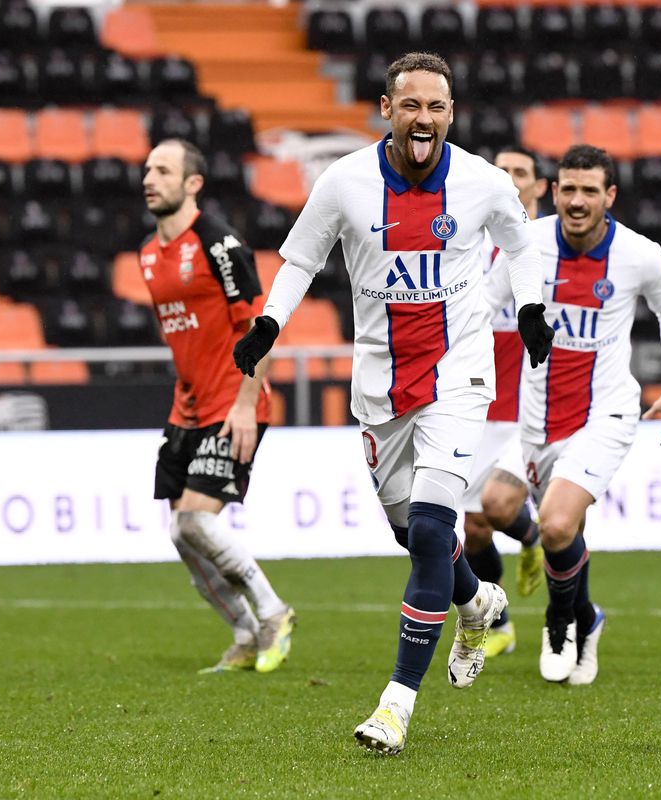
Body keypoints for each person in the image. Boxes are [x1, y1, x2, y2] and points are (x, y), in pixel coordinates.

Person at [233, 52, 552, 755]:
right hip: (380, 387)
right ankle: (476, 603)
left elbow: (521, 243)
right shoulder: (343, 182)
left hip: (459, 378)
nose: (424, 118)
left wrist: (529, 309)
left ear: (451, 114)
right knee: (414, 537)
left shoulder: (483, 182)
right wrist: (268, 323)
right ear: (387, 110)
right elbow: (299, 262)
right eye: (411, 105)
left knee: (437, 527)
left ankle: (395, 704)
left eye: (436, 106)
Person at [488, 144, 661, 686]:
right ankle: (587, 616)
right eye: (569, 189)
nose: (578, 201)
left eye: (590, 191)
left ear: (610, 196)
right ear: (554, 192)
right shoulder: (527, 244)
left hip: (606, 413)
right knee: (510, 510)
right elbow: (484, 306)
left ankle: (559, 622)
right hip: (536, 420)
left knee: (555, 522)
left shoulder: (638, 254)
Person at [139, 138, 296, 675]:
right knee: (181, 530)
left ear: (193, 184)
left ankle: (274, 613)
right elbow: (185, 338)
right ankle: (245, 633)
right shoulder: (147, 254)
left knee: (197, 523)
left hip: (234, 400)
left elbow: (261, 329)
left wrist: (248, 402)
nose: (149, 178)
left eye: (163, 170)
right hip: (188, 407)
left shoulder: (219, 244)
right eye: (147, 169)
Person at [461, 145, 550, 659]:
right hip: (478, 407)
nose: (512, 180)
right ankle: (500, 624)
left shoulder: (551, 248)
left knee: (497, 506)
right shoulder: (472, 247)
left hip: (532, 410)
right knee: (473, 527)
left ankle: (542, 546)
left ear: (540, 187)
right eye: (503, 172)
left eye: (521, 173)